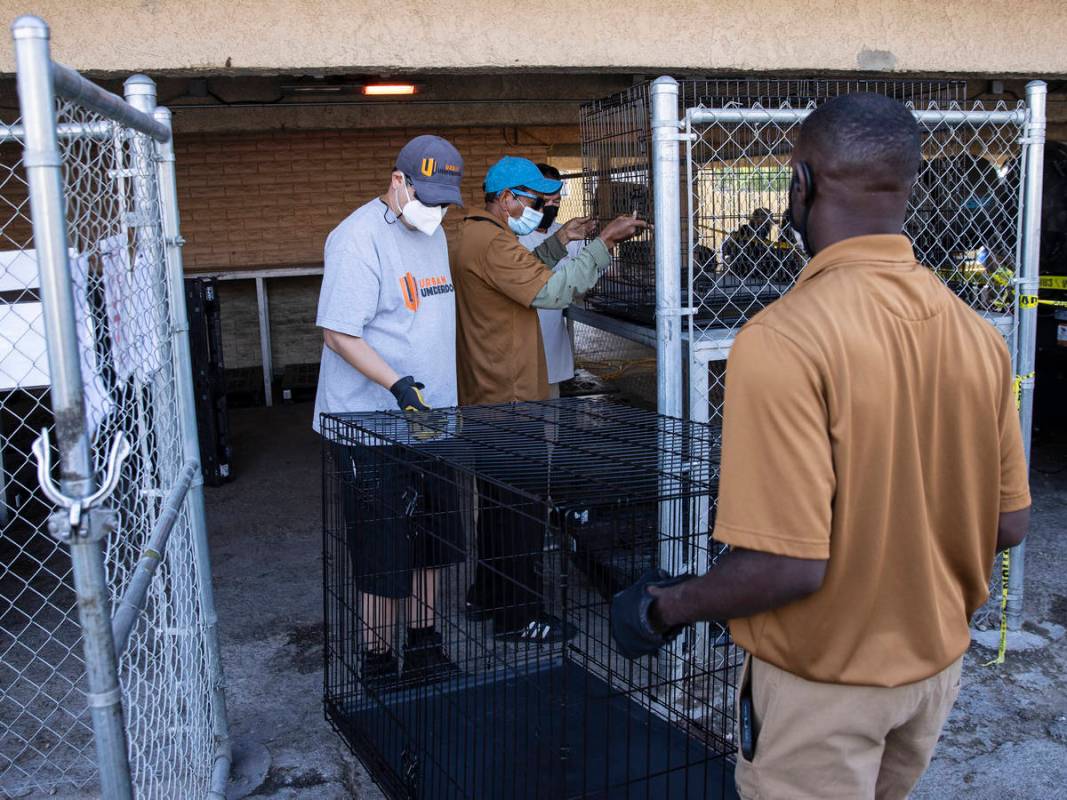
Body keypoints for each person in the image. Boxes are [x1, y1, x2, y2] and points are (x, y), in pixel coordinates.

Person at [611, 93, 1031, 799]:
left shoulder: (784, 338)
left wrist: (662, 609)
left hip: (823, 693)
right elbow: (1009, 522)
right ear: (906, 186)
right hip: (931, 677)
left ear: (799, 184)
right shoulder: (976, 334)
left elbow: (786, 566)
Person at [451, 155, 647, 642]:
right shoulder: (491, 240)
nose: (542, 209)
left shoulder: (480, 236)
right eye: (537, 201)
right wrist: (603, 245)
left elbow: (526, 272)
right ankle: (519, 616)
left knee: (500, 502)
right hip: (510, 392)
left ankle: (487, 594)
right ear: (507, 198)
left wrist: (562, 241)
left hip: (490, 390)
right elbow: (552, 292)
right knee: (520, 509)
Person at [314, 135, 467, 689]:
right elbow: (338, 333)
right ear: (397, 181)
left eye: (445, 202)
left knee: (430, 538)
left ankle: (425, 643)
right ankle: (379, 658)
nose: (436, 212)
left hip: (431, 417)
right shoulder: (357, 239)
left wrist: (431, 399)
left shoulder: (435, 232)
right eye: (427, 198)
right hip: (370, 422)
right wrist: (399, 386)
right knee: (383, 546)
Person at [516, 163, 584, 398]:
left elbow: (590, 274)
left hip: (552, 345)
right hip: (519, 351)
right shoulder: (511, 236)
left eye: (557, 202)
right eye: (546, 201)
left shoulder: (570, 233)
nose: (551, 208)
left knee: (550, 418)